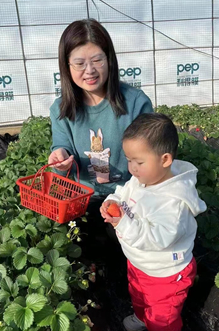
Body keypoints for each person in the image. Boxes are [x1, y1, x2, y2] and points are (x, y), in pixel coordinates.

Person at [100, 113, 207, 331]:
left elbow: (157, 239)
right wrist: (112, 200)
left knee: (163, 316)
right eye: (129, 160)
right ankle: (142, 316)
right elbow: (124, 192)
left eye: (138, 162)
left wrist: (122, 223)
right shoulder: (142, 179)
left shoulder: (173, 202)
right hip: (140, 263)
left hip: (166, 273)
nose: (132, 168)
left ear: (165, 159)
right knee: (137, 294)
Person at [48, 19, 153, 199]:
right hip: (85, 199)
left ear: (109, 60)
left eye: (97, 60)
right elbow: (63, 158)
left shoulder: (136, 103)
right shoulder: (60, 109)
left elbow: (151, 159)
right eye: (79, 63)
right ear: (67, 66)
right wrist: (62, 159)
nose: (90, 70)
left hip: (130, 196)